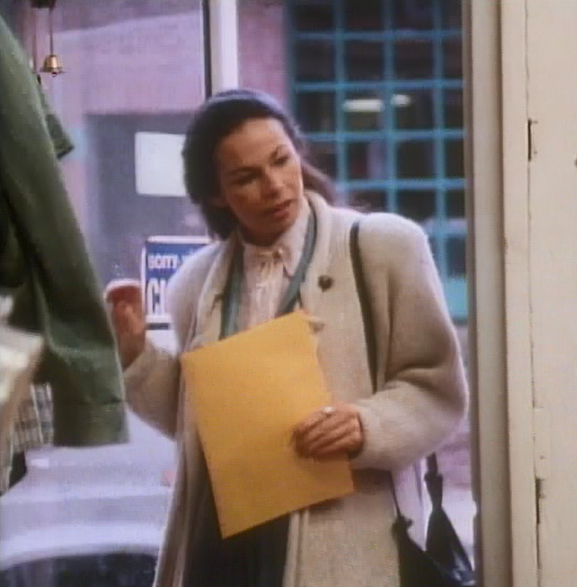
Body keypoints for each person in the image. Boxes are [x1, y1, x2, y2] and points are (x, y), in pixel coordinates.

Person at [110, 88, 467, 587]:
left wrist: (367, 425)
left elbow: (436, 389)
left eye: (281, 160)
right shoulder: (196, 282)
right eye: (246, 178)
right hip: (223, 544)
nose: (275, 186)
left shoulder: (384, 247)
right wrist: (135, 355)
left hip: (343, 543)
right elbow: (202, 423)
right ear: (216, 195)